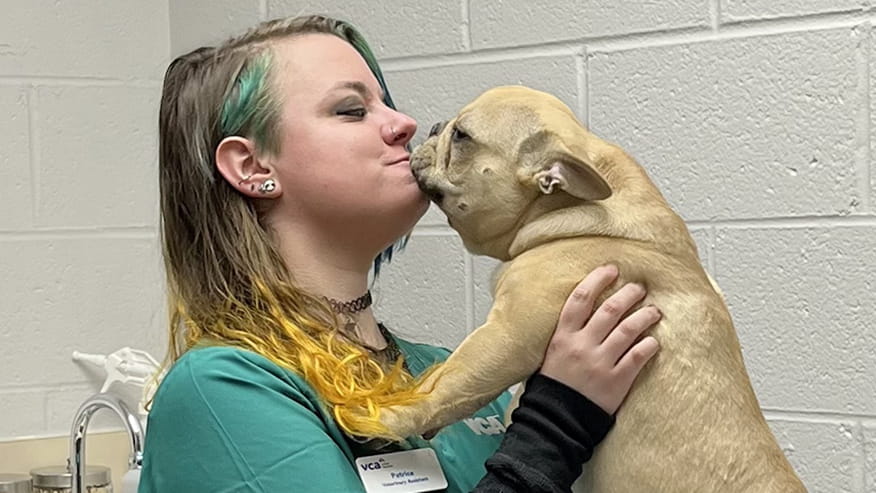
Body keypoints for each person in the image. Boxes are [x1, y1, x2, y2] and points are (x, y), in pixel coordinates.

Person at [139, 14, 661, 493]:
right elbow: (545, 448)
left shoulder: (440, 372)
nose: (405, 124)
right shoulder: (223, 390)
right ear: (252, 167)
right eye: (351, 110)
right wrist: (558, 419)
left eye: (386, 102)